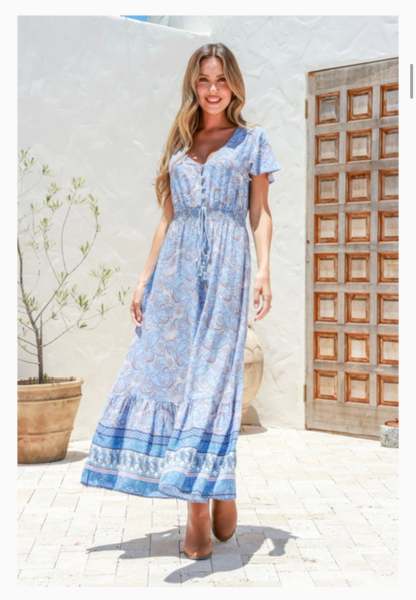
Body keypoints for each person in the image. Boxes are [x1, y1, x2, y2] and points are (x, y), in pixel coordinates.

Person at [80, 42, 281, 560]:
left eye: (221, 80)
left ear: (234, 85)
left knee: (213, 383)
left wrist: (263, 270)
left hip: (228, 273)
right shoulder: (181, 144)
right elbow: (168, 219)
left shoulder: (252, 141)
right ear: (193, 85)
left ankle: (216, 483)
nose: (213, 90)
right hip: (175, 276)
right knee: (171, 378)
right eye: (204, 81)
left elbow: (259, 213)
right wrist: (143, 279)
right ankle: (198, 506)